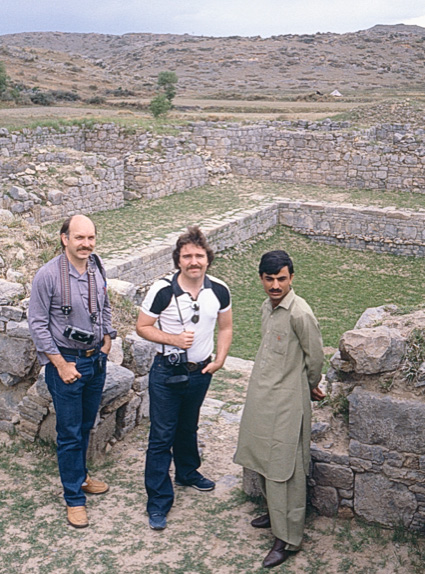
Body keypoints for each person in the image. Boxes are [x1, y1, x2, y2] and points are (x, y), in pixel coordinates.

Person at [136, 225, 232, 531]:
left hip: (200, 372)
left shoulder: (218, 289)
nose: (194, 261)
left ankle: (188, 472)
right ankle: (158, 502)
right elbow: (142, 326)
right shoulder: (162, 289)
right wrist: (174, 340)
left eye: (199, 255)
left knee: (188, 427)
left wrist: (219, 359)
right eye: (187, 256)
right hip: (166, 372)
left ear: (207, 259)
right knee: (162, 437)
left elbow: (226, 326)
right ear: (178, 260)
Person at [234, 250, 324, 568]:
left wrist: (309, 386)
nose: (275, 285)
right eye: (269, 279)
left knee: (286, 469)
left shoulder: (300, 313)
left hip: (288, 402)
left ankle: (287, 539)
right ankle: (275, 517)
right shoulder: (266, 307)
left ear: (291, 278)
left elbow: (315, 360)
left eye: (281, 278)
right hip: (263, 397)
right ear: (261, 278)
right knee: (261, 456)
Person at [28, 214, 116, 529]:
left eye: (91, 238)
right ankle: (73, 499)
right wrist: (61, 364)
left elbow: (105, 304)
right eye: (80, 238)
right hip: (65, 362)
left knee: (84, 425)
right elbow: (37, 323)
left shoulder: (96, 266)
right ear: (65, 238)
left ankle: (81, 477)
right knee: (68, 433)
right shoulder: (47, 275)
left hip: (95, 360)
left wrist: (107, 339)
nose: (86, 244)